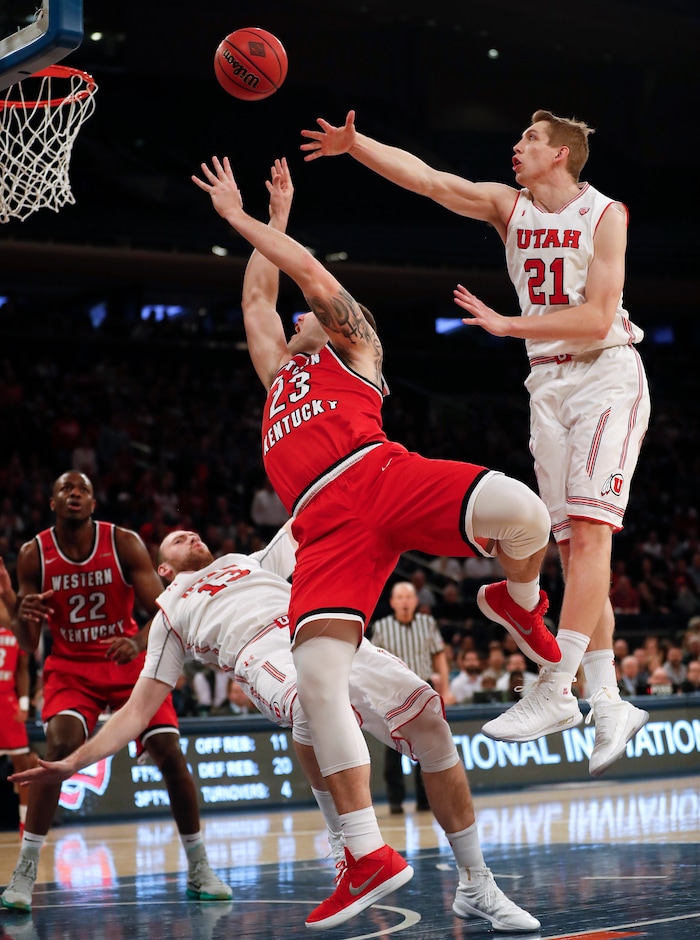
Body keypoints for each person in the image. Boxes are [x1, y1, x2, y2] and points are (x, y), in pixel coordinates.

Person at [191, 154, 558, 929]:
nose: (294, 318)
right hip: (323, 526)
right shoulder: (276, 378)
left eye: (306, 315)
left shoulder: (354, 344)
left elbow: (305, 276)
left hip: (381, 476)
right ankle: (365, 854)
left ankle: (517, 599)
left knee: (526, 513)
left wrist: (242, 220)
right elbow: (261, 295)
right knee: (317, 675)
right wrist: (272, 216)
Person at [300, 108, 651, 776]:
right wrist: (355, 146)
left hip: (604, 373)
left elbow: (600, 316)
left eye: (529, 140)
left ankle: (556, 687)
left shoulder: (607, 215)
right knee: (575, 553)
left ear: (560, 155)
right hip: (546, 386)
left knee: (591, 536)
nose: (516, 147)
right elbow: (430, 181)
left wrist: (506, 322)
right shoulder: (507, 207)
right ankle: (608, 701)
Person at [12, 526, 541, 934]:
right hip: (262, 656)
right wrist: (72, 762)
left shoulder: (248, 562)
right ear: (165, 570)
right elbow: (135, 710)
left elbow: (305, 514)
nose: (190, 535)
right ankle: (353, 849)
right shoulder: (169, 614)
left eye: (192, 533)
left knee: (431, 724)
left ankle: (477, 884)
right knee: (314, 701)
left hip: (324, 630)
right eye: (176, 539)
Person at [1, 471, 230, 912]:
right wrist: (22, 614)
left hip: (126, 662)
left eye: (82, 489)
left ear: (93, 502)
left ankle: (200, 866)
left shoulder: (121, 543)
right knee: (60, 748)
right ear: (52, 503)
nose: (74, 494)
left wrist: (139, 643)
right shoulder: (34, 554)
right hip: (71, 669)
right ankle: (25, 873)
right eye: (66, 489)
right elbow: (29, 645)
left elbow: (163, 609)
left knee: (168, 752)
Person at [369, 580, 447, 814]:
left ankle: (425, 800)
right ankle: (395, 801)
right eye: (400, 597)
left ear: (415, 601)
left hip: (423, 687)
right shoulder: (382, 627)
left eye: (408, 597)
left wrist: (446, 689)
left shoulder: (427, 623)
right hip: (392, 693)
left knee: (426, 747)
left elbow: (439, 656)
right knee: (393, 748)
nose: (404, 601)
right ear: (392, 602)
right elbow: (373, 664)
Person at [0, 558, 36, 837]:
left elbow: (23, 669)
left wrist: (24, 703)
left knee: (22, 766)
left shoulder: (13, 618)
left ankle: (27, 826)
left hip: (8, 700)